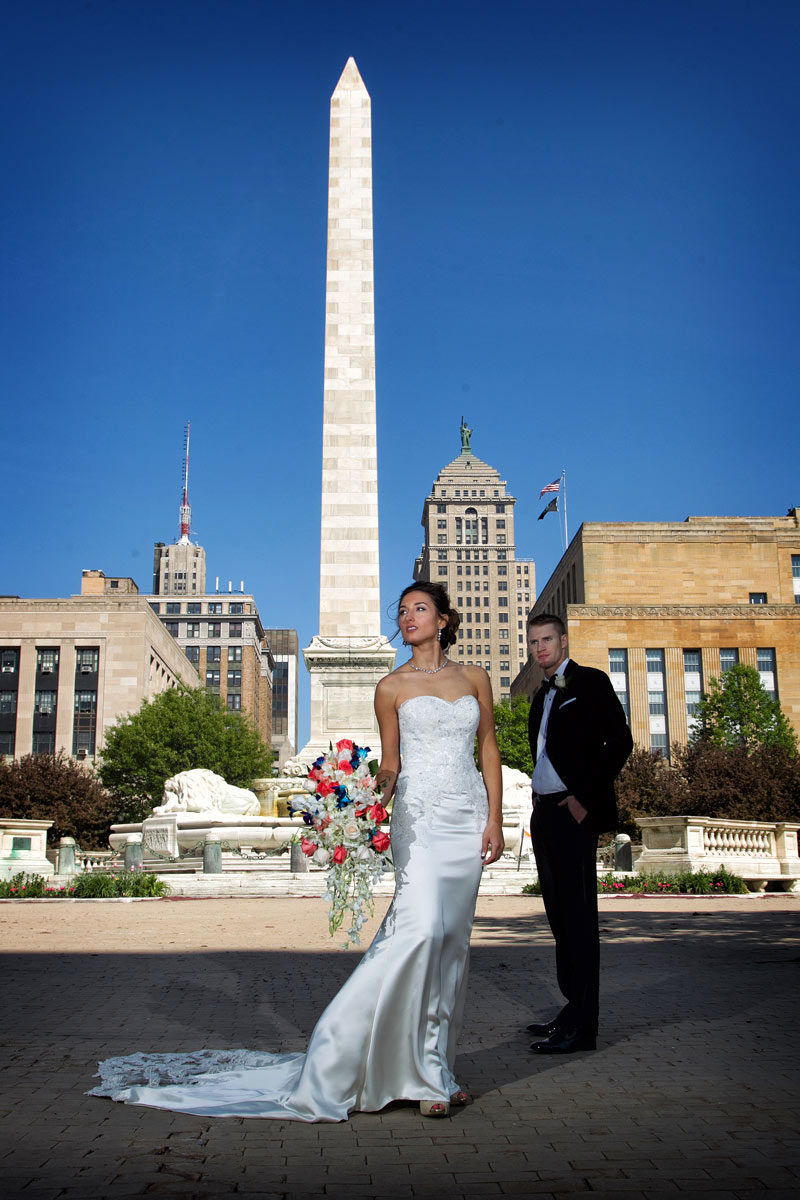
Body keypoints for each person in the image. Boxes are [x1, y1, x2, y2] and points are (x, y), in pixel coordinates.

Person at [89, 581, 503, 1121]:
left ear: (444, 619)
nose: (408, 618)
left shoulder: (475, 678)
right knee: (419, 929)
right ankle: (370, 1054)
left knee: (450, 944)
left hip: (466, 815)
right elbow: (392, 763)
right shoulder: (389, 686)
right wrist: (356, 803)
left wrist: (494, 816)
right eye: (401, 611)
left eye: (419, 609)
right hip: (419, 820)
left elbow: (488, 746)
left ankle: (434, 1071)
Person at [525, 613, 632, 1055]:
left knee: (580, 919)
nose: (540, 649)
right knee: (558, 918)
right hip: (544, 814)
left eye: (547, 640)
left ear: (563, 641)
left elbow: (620, 742)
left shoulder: (590, 682)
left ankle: (584, 1028)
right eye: (533, 643)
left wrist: (584, 797)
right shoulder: (539, 695)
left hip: (573, 812)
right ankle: (571, 1010)